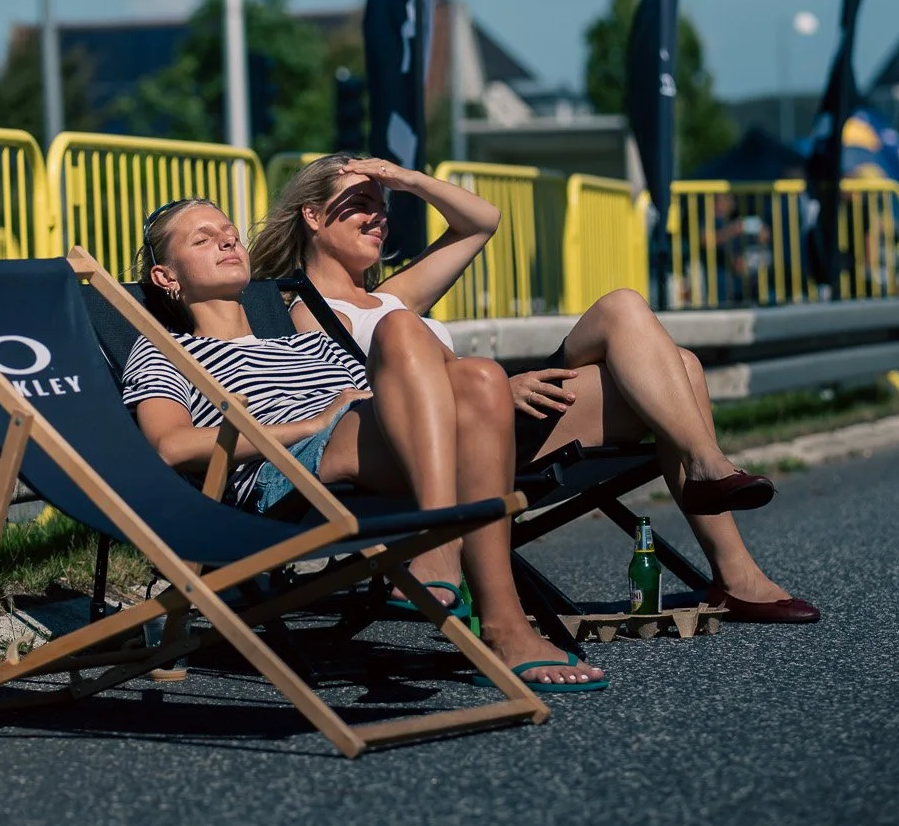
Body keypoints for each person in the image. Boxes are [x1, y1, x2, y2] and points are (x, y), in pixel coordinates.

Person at [249, 155, 818, 626]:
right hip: (460, 435)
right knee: (682, 369)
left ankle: (712, 486)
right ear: (314, 218)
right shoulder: (304, 312)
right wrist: (494, 385)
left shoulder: (396, 295)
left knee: (652, 338)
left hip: (503, 404)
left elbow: (480, 221)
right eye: (359, 206)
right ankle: (731, 558)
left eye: (381, 207)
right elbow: (369, 399)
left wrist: (408, 180)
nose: (377, 218)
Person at [122, 195, 608, 690]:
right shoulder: (169, 350)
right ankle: (463, 572)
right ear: (166, 277)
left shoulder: (308, 341)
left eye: (228, 232)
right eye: (202, 239)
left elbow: (407, 396)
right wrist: (310, 426)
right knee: (400, 324)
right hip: (290, 474)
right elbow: (171, 446)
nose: (227, 239)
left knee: (481, 377)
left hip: (383, 446)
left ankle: (483, 602)